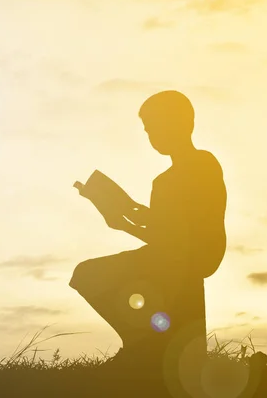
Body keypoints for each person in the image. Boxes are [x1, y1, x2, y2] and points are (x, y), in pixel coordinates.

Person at [69, 90, 227, 383]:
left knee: (88, 274)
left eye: (154, 127)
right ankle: (142, 345)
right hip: (178, 254)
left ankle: (141, 345)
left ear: (182, 123)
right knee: (91, 274)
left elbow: (174, 236)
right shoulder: (168, 179)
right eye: (148, 130)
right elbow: (165, 231)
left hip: (195, 255)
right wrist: (126, 213)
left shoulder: (199, 165)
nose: (151, 135)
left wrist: (126, 221)